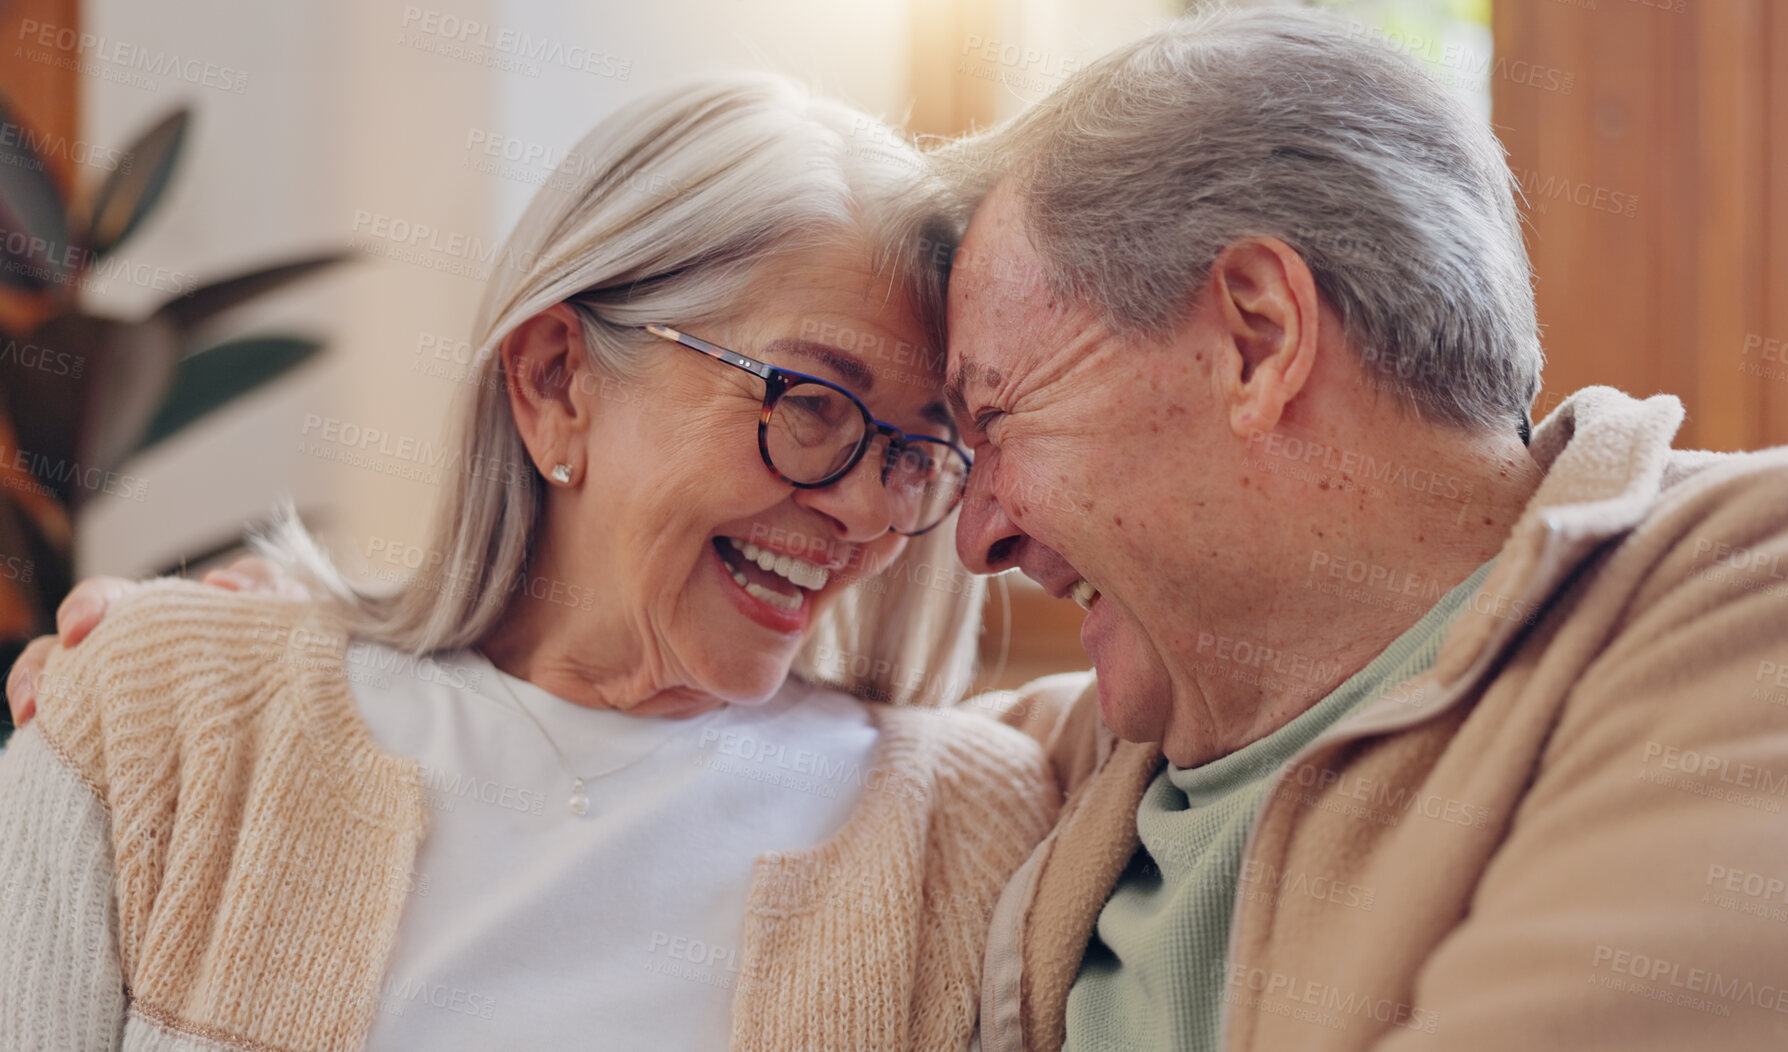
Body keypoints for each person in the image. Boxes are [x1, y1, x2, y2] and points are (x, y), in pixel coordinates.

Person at [0, 74, 1057, 1052]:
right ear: (556, 380)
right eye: (813, 405)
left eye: (920, 451)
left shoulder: (972, 827)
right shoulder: (154, 716)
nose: (868, 508)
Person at [925, 8, 1788, 1051]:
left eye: (994, 415)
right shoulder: (1072, 758)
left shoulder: (1784, 588)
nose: (975, 533)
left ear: (1256, 338)